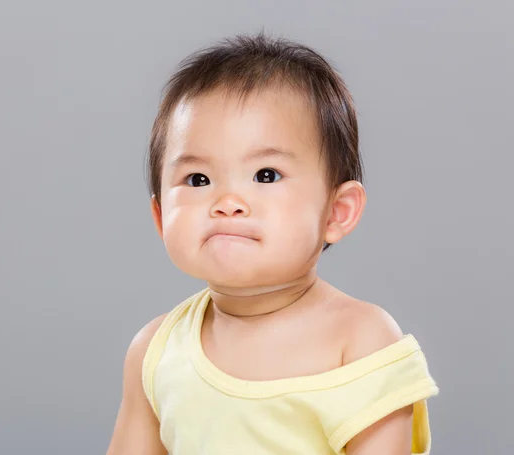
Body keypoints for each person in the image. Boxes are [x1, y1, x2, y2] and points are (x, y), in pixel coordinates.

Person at [106, 33, 438, 455]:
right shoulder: (155, 350)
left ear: (337, 211)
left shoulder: (360, 342)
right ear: (160, 217)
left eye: (266, 175)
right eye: (198, 180)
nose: (228, 203)